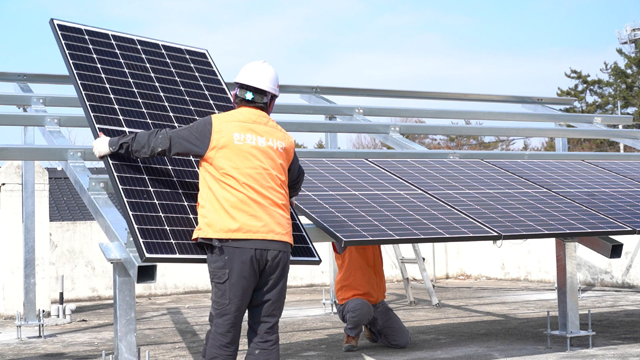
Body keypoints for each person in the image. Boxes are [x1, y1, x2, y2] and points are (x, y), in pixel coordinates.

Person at [92, 61, 305, 360]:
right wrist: (288, 196)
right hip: (278, 244)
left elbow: (161, 141)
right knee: (266, 331)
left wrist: (113, 144)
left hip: (234, 243)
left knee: (225, 327)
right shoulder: (283, 139)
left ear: (235, 95)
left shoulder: (217, 126)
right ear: (271, 102)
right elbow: (296, 179)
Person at [333, 243, 410, 352]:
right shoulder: (344, 235)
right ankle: (351, 334)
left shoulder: (374, 234)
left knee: (401, 341)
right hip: (352, 302)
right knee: (362, 308)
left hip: (377, 302)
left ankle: (371, 327)